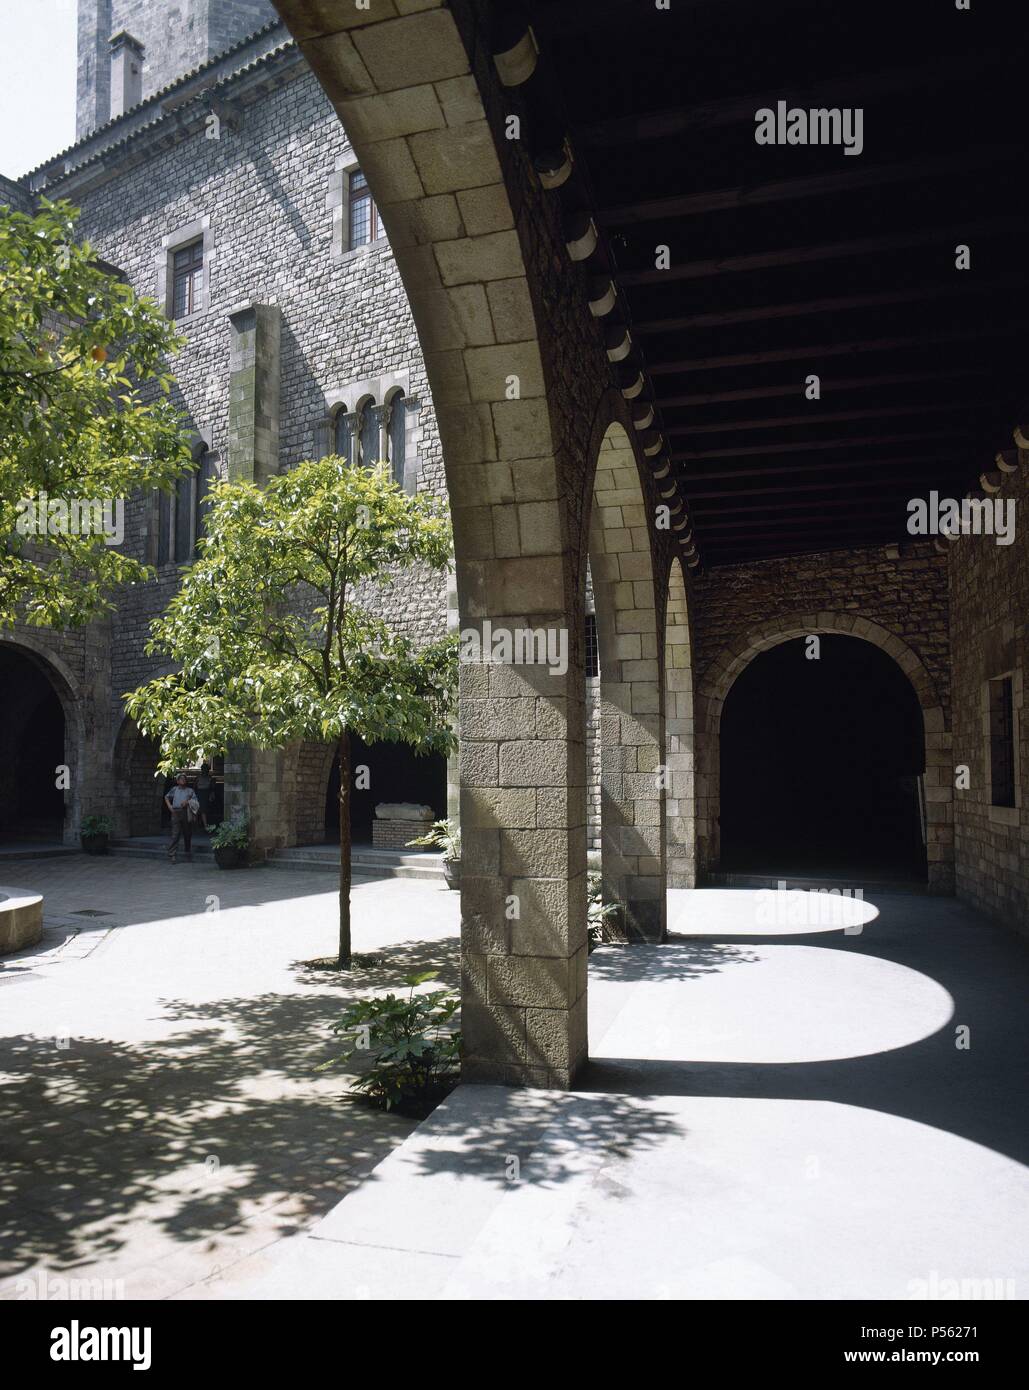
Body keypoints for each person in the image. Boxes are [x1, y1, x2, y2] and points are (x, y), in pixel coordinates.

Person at [165, 773, 197, 864]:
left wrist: (187, 802)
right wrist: (169, 806)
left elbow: (195, 801)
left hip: (186, 812)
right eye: (181, 779)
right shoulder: (174, 789)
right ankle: (172, 854)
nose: (183, 780)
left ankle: (187, 851)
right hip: (175, 812)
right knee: (175, 833)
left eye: (184, 779)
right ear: (177, 781)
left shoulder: (190, 791)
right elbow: (166, 797)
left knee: (187, 833)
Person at [195, 762, 213, 832]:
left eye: (206, 769)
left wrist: (211, 794)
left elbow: (211, 788)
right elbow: (195, 786)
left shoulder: (210, 778)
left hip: (206, 794)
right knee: (198, 809)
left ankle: (203, 824)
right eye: (203, 769)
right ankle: (199, 824)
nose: (205, 770)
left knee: (204, 810)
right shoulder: (198, 777)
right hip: (199, 793)